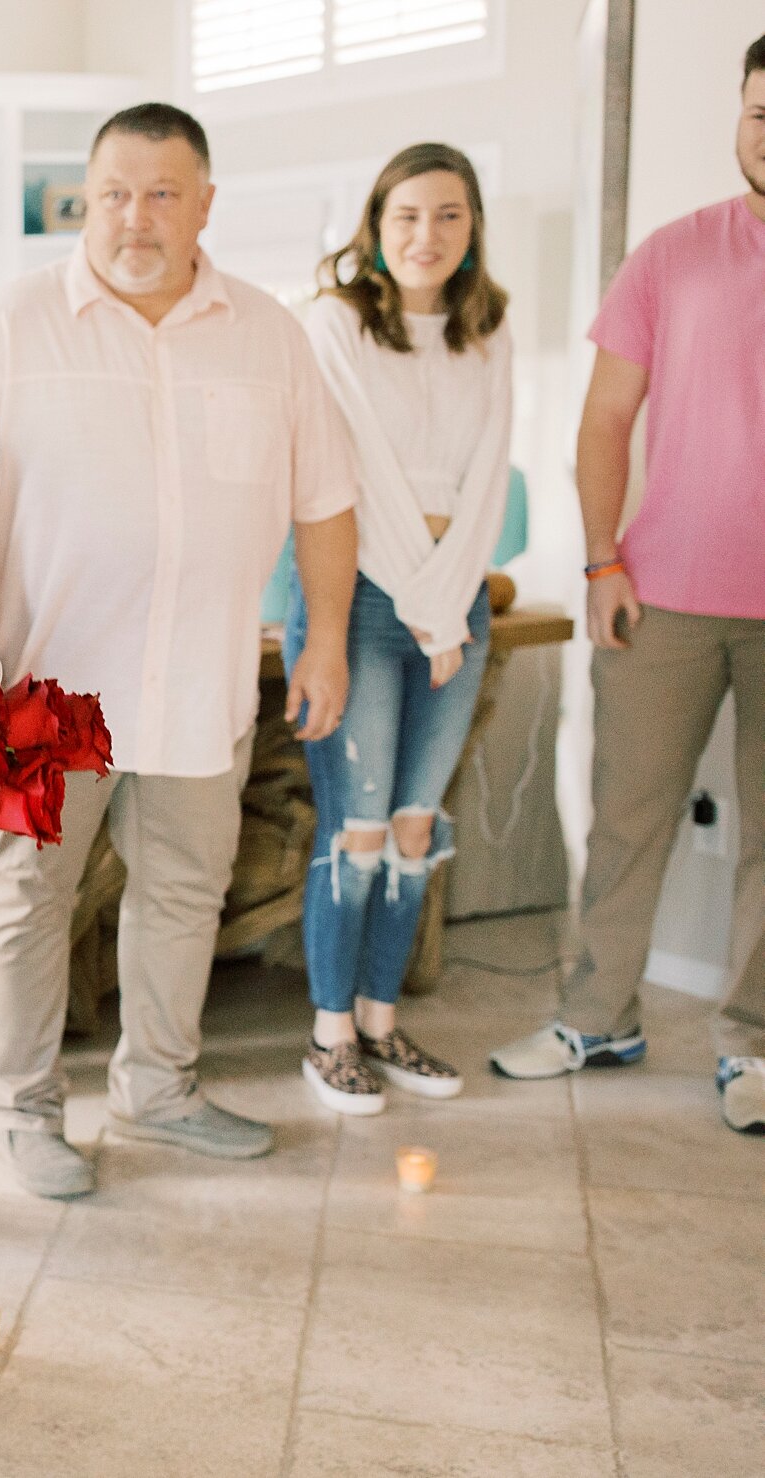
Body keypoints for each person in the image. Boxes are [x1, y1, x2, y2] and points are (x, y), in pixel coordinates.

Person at [0, 102, 357, 1199]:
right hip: (42, 688)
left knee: (183, 891)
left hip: (201, 684)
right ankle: (22, 1110)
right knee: (29, 900)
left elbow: (326, 500)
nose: (135, 216)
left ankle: (158, 1090)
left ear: (206, 202)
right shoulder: (10, 326)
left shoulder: (269, 332)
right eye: (114, 191)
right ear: (86, 196)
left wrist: (327, 644)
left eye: (163, 192)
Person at [491, 36, 765, 1136]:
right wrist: (600, 557)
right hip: (665, 595)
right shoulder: (674, 254)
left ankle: (752, 1041)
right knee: (627, 816)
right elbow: (604, 419)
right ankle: (597, 1013)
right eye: (759, 109)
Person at [288, 144, 511, 1114]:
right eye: (408, 214)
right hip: (366, 598)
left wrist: (451, 598)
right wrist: (428, 602)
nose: (428, 234)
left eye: (450, 215)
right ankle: (329, 1034)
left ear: (472, 232)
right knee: (364, 825)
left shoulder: (489, 331)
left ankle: (382, 1020)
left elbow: (490, 476)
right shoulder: (335, 327)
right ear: (376, 227)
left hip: (454, 600)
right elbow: (358, 476)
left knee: (418, 826)